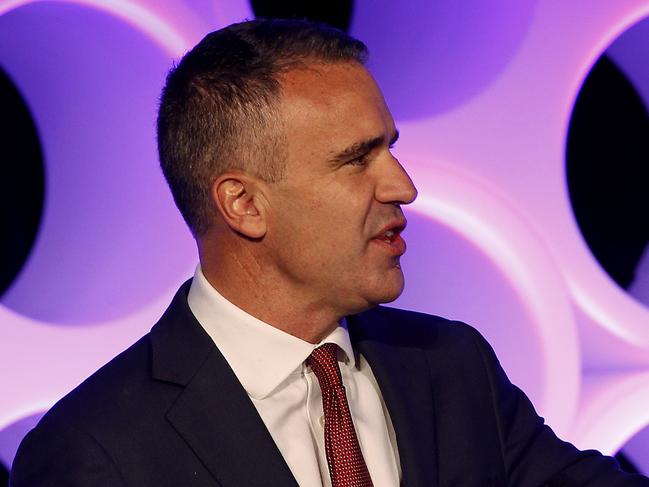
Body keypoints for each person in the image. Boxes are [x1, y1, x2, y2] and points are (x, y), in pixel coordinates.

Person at [10, 19, 649, 487]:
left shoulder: (452, 370)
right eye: (356, 160)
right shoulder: (96, 450)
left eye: (390, 148)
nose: (404, 186)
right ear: (244, 205)